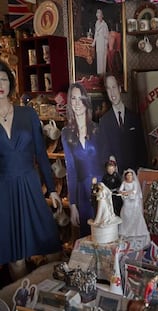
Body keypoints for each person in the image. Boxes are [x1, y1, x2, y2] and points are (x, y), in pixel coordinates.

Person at [0, 60, 61, 280]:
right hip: (4, 190)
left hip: (30, 184)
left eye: (4, 79)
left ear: (11, 83)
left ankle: (58, 296)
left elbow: (41, 155)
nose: (0, 84)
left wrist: (52, 190)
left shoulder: (28, 114)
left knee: (52, 246)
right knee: (15, 258)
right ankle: (24, 301)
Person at [62, 83, 103, 237]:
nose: (77, 103)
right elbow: (70, 169)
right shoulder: (66, 133)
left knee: (104, 236)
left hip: (101, 190)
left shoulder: (97, 129)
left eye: (80, 98)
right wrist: (73, 204)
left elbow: (107, 161)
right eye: (73, 98)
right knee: (87, 238)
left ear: (86, 101)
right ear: (70, 102)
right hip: (82, 193)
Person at [99, 75, 147, 174]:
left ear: (120, 89)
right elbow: (104, 152)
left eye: (114, 87)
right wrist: (110, 160)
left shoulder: (135, 118)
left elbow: (142, 152)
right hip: (116, 179)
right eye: (108, 88)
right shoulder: (104, 122)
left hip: (135, 178)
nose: (112, 93)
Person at [118, 169, 150, 245]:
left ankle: (136, 232)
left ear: (132, 176)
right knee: (125, 213)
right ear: (126, 176)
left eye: (130, 175)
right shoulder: (124, 183)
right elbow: (120, 190)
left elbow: (135, 191)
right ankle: (126, 232)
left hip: (133, 200)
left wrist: (126, 192)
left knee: (135, 214)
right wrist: (125, 192)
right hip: (126, 200)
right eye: (128, 175)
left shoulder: (135, 183)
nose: (129, 177)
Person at [91, 9, 109, 75]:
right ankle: (99, 73)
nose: (99, 17)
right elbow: (96, 33)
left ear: (102, 16)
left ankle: (103, 73)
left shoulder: (104, 24)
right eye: (98, 16)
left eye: (100, 15)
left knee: (103, 57)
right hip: (98, 41)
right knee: (99, 56)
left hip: (103, 42)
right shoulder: (97, 23)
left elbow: (107, 34)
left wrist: (105, 39)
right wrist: (94, 42)